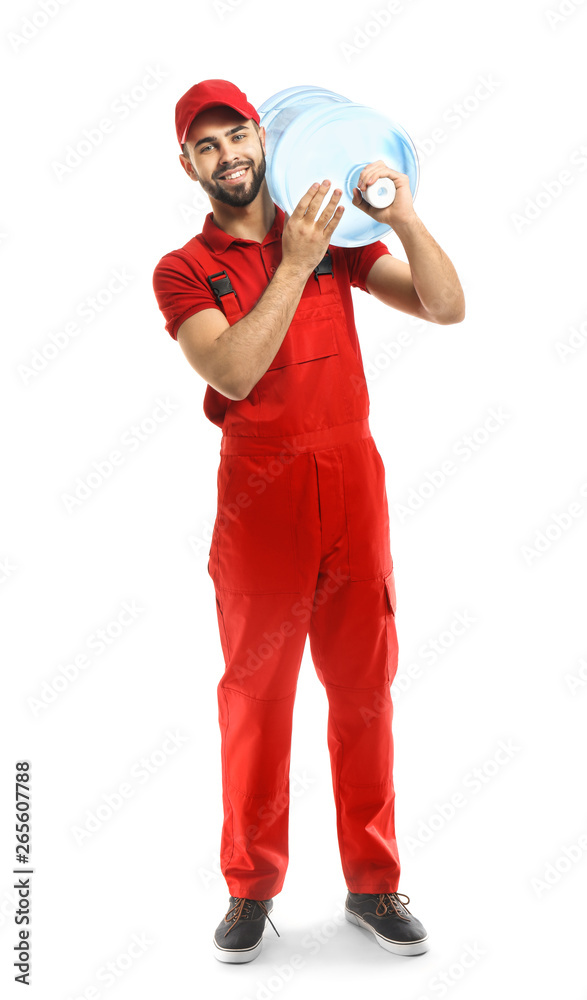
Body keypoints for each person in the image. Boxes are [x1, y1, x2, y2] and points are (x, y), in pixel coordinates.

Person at [152, 79, 465, 965]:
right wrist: (292, 262)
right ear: (189, 166)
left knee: (364, 694)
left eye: (236, 135)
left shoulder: (330, 233)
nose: (227, 156)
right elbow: (233, 374)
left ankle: (372, 884)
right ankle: (250, 891)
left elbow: (446, 305)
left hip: (352, 490)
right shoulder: (185, 269)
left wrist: (399, 215)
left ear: (262, 136)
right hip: (261, 505)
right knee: (256, 702)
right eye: (206, 147)